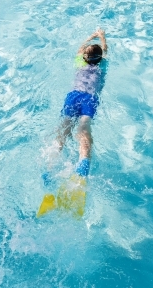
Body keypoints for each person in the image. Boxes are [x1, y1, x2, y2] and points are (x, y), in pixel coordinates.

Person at [42, 29, 108, 183]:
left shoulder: (79, 61)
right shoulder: (103, 64)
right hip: (90, 98)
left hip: (73, 96)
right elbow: (105, 50)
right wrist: (102, 37)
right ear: (99, 58)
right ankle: (83, 161)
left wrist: (91, 36)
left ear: (85, 57)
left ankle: (51, 167)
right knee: (84, 126)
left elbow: (80, 49)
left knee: (64, 127)